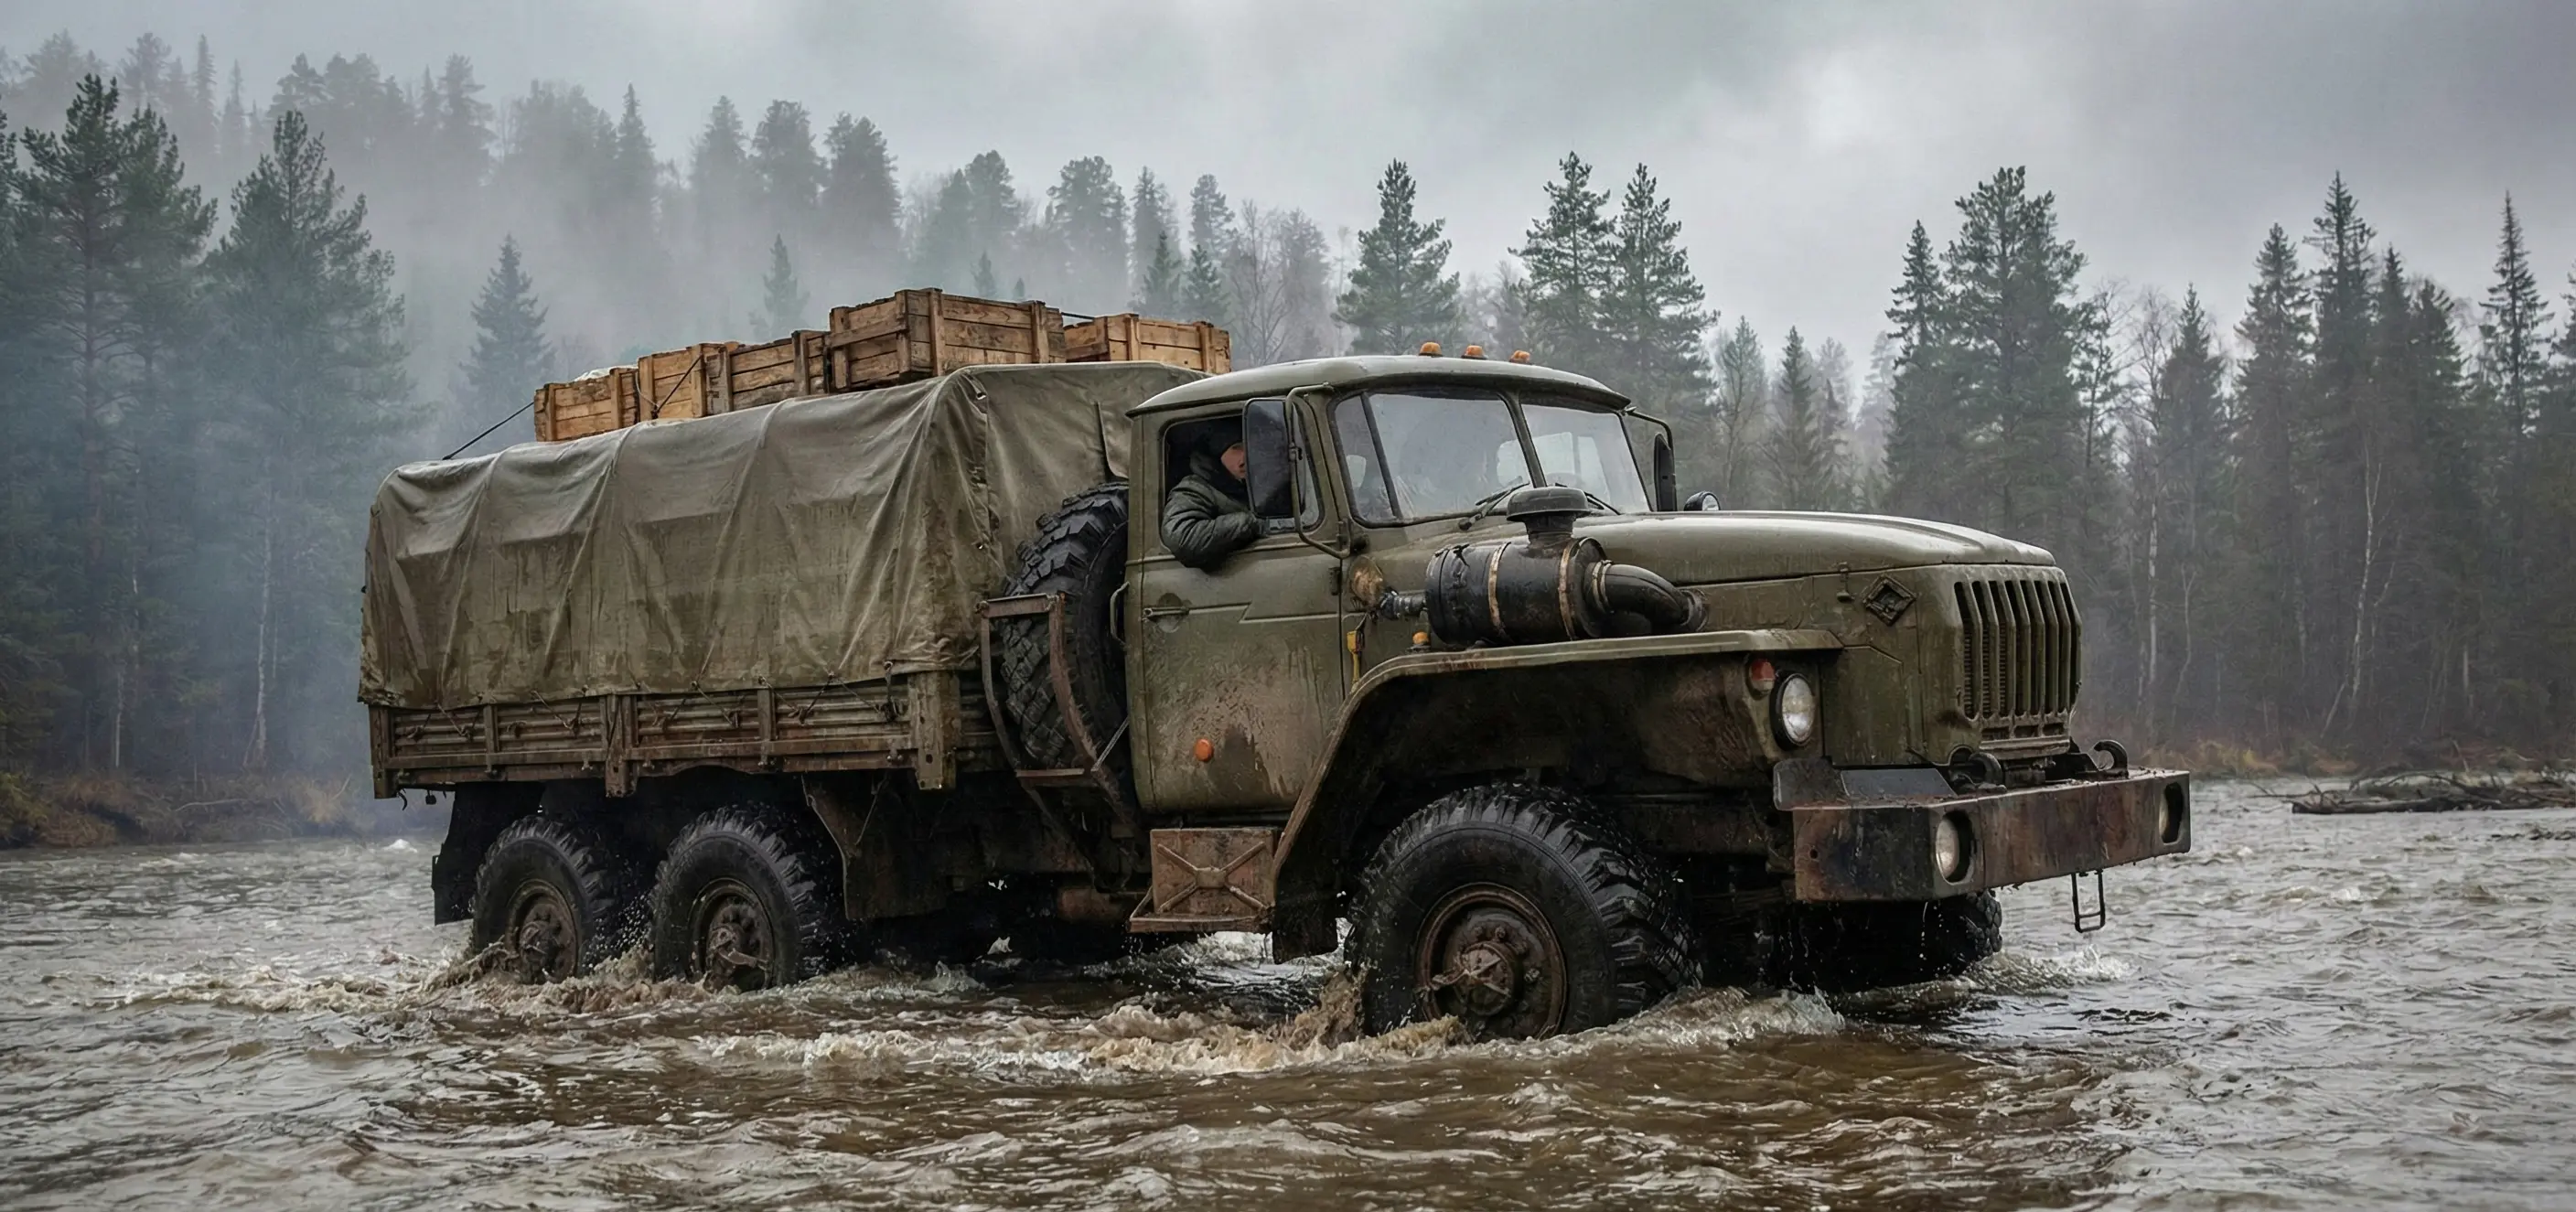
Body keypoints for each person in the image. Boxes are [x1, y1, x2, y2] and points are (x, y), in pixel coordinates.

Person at [1162, 429, 1263, 570]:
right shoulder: (1194, 489)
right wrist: (1251, 523)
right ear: (1217, 454)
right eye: (1236, 448)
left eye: (1249, 446)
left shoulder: (1256, 484)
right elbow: (1182, 538)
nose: (1246, 456)